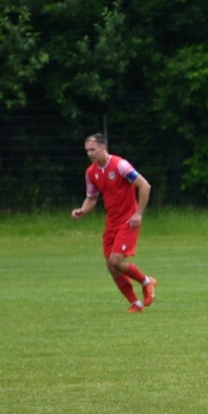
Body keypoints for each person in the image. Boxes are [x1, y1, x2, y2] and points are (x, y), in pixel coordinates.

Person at [72, 133, 157, 313]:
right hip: (111, 223)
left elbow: (145, 185)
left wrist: (138, 213)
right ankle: (136, 303)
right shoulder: (91, 172)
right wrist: (82, 210)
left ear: (103, 148)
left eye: (92, 149)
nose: (89, 153)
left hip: (128, 221)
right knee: (111, 266)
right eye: (87, 150)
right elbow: (91, 198)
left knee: (116, 259)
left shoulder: (120, 165)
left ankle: (147, 282)